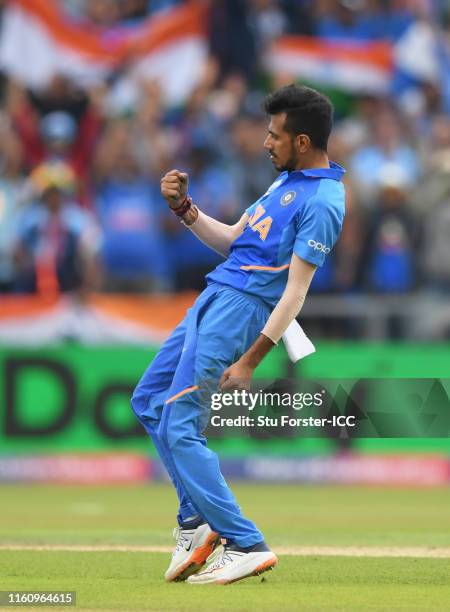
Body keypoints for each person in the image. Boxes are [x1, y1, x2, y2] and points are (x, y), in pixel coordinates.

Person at [131, 84, 346, 585]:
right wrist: (185, 208)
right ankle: (194, 521)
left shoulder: (325, 200)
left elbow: (295, 292)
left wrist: (251, 359)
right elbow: (233, 241)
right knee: (147, 401)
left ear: (303, 140)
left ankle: (245, 543)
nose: (265, 142)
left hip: (239, 309)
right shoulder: (284, 183)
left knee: (180, 424)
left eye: (275, 135)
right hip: (214, 297)